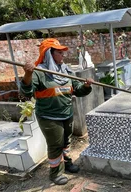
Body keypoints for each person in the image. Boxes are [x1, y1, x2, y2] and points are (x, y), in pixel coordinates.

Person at [20, 38, 94, 185]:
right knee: (55, 144)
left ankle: (66, 163)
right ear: (49, 54)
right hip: (49, 117)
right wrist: (28, 75)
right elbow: (26, 93)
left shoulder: (66, 71)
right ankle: (55, 173)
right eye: (59, 53)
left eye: (62, 53)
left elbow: (78, 91)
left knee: (66, 142)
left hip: (67, 114)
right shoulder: (39, 73)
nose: (63, 55)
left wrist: (86, 86)